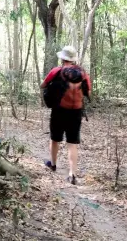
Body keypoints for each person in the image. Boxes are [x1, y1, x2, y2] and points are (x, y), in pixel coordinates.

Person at [40, 46, 91, 185]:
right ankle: (72, 174)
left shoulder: (57, 71)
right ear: (73, 59)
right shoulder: (83, 73)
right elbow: (89, 92)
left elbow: (43, 85)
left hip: (59, 110)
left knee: (55, 139)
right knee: (72, 143)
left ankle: (53, 164)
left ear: (62, 58)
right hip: (76, 112)